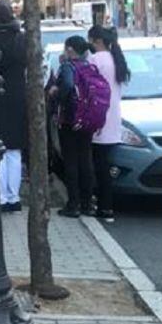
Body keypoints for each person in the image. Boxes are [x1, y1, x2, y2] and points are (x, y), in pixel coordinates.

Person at [50, 36, 96, 218]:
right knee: (85, 160)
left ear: (69, 49)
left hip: (69, 120)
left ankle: (73, 204)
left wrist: (56, 93)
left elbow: (68, 85)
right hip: (87, 120)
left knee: (70, 161)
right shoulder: (89, 67)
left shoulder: (68, 67)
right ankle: (87, 203)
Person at [88, 25, 130, 222]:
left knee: (98, 167)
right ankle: (108, 207)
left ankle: (102, 206)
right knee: (107, 166)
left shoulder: (95, 60)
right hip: (114, 119)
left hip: (98, 119)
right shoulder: (117, 60)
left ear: (96, 41)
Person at [0, 1, 27, 213]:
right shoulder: (19, 37)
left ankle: (1, 197)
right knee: (14, 150)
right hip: (17, 95)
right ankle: (14, 197)